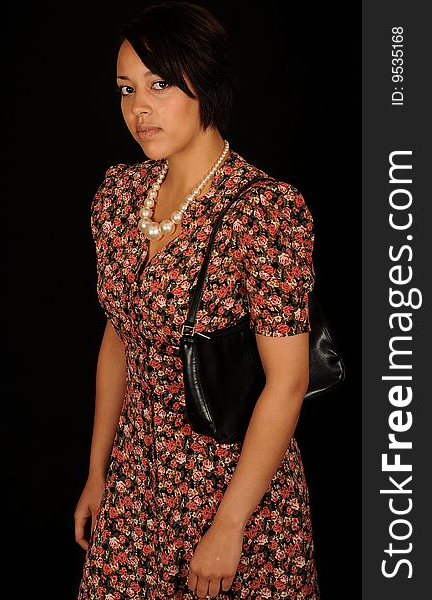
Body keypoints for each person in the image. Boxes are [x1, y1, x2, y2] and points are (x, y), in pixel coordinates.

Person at [75, 2, 319, 598]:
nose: (139, 108)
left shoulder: (264, 211)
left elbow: (287, 381)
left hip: (232, 485)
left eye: (160, 84)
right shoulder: (118, 195)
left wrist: (230, 527)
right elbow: (118, 337)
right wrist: (96, 470)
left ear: (205, 83)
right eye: (126, 89)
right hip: (136, 480)